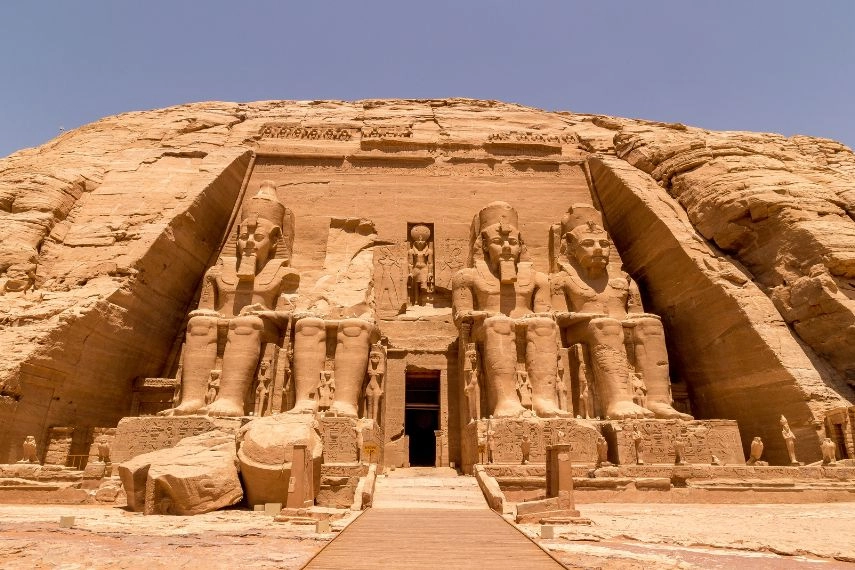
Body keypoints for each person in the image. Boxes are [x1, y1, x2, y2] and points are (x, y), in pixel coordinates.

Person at [162, 181, 299, 417]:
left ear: (275, 241)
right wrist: (205, 314)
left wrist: (263, 312)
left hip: (262, 328)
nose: (249, 244)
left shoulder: (284, 273)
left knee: (246, 325)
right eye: (244, 236)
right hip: (225, 323)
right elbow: (205, 308)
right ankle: (192, 400)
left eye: (258, 238)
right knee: (199, 324)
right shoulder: (217, 272)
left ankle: (230, 400)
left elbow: (288, 316)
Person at [551, 204, 691, 420]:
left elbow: (637, 312)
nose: (598, 249)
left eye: (603, 244)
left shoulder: (624, 280)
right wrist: (592, 317)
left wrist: (634, 319)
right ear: (571, 247)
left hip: (616, 326)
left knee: (650, 325)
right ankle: (618, 400)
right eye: (588, 244)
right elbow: (558, 316)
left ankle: (658, 401)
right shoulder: (562, 279)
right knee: (607, 326)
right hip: (580, 331)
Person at [452, 202, 565, 418]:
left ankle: (544, 400)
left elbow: (546, 313)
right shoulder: (467, 276)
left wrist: (532, 318)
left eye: (512, 242)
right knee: (499, 324)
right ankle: (506, 401)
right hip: (486, 328)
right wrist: (485, 315)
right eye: (497, 241)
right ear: (483, 245)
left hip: (524, 324)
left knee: (544, 326)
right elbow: (461, 315)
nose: (506, 247)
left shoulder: (536, 278)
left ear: (521, 246)